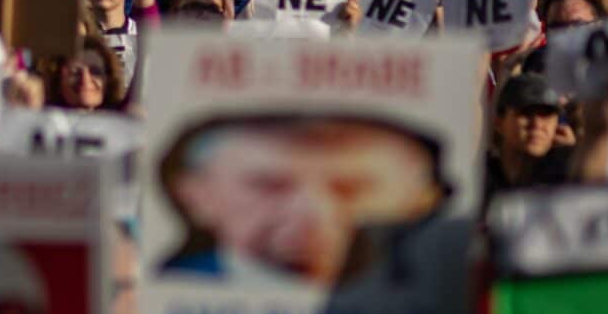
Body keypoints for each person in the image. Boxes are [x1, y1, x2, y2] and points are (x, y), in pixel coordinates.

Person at [156, 114, 450, 286]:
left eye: (350, 189)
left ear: (421, 198)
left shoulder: (439, 296)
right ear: (195, 193)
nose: (310, 212)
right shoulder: (166, 290)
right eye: (269, 186)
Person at [483, 74, 570, 202]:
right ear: (499, 122)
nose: (537, 124)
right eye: (525, 113)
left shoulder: (565, 183)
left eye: (546, 115)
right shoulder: (477, 178)